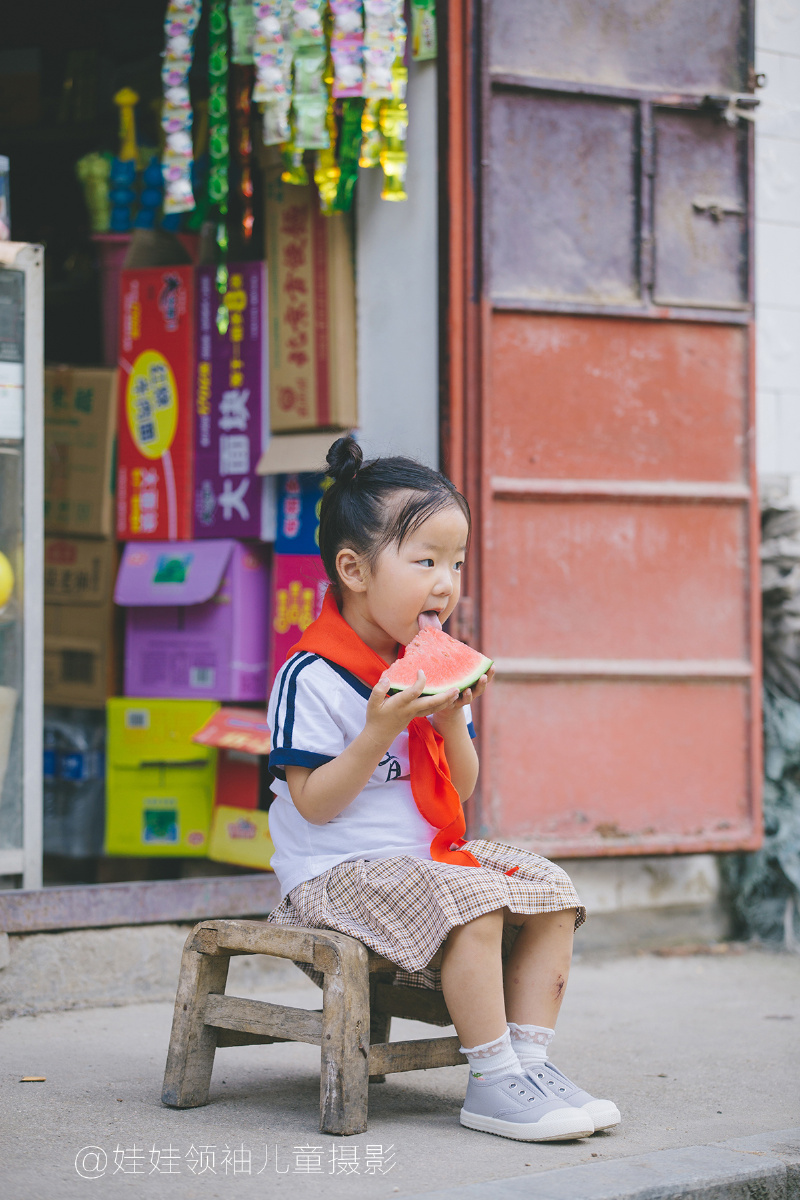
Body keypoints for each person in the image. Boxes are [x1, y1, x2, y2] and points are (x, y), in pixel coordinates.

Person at [266, 435, 620, 1142]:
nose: (445, 583)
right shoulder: (310, 676)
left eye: (455, 563)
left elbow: (461, 788)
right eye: (425, 561)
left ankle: (528, 1064)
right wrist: (374, 733)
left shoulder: (421, 668)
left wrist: (454, 720)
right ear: (353, 569)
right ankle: (490, 1078)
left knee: (552, 891)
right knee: (477, 900)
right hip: (330, 876)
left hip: (423, 863)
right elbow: (314, 804)